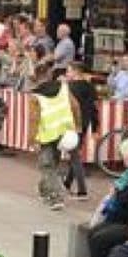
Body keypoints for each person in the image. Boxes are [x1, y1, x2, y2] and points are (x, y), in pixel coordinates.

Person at [28, 62, 79, 211]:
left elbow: (34, 119)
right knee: (53, 163)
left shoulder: (35, 96)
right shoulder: (64, 88)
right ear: (50, 75)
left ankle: (56, 197)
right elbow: (75, 106)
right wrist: (77, 125)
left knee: (46, 165)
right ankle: (44, 189)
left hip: (46, 133)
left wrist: (32, 138)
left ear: (36, 78)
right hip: (64, 130)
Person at [63, 62, 98, 199]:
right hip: (84, 124)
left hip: (71, 124)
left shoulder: (69, 88)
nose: (67, 73)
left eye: (69, 71)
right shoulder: (90, 87)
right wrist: (95, 127)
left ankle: (82, 190)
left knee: (75, 156)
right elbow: (94, 109)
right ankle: (66, 183)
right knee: (74, 153)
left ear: (76, 72)